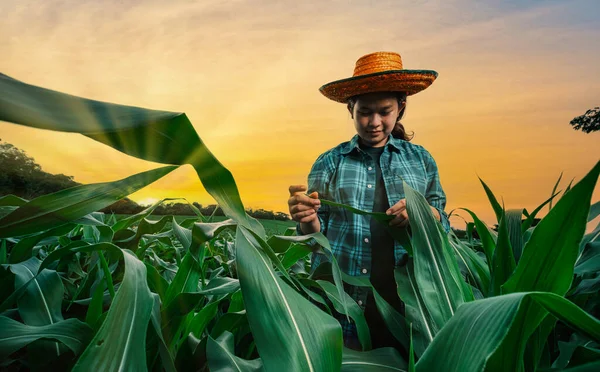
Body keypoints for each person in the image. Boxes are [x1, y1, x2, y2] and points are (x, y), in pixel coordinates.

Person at [287, 51, 450, 353]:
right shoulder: (329, 163)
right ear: (350, 108)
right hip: (345, 306)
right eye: (364, 112)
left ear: (400, 108)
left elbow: (444, 228)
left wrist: (427, 215)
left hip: (411, 308)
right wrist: (306, 220)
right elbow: (313, 238)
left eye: (384, 111)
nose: (374, 122)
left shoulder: (422, 161)